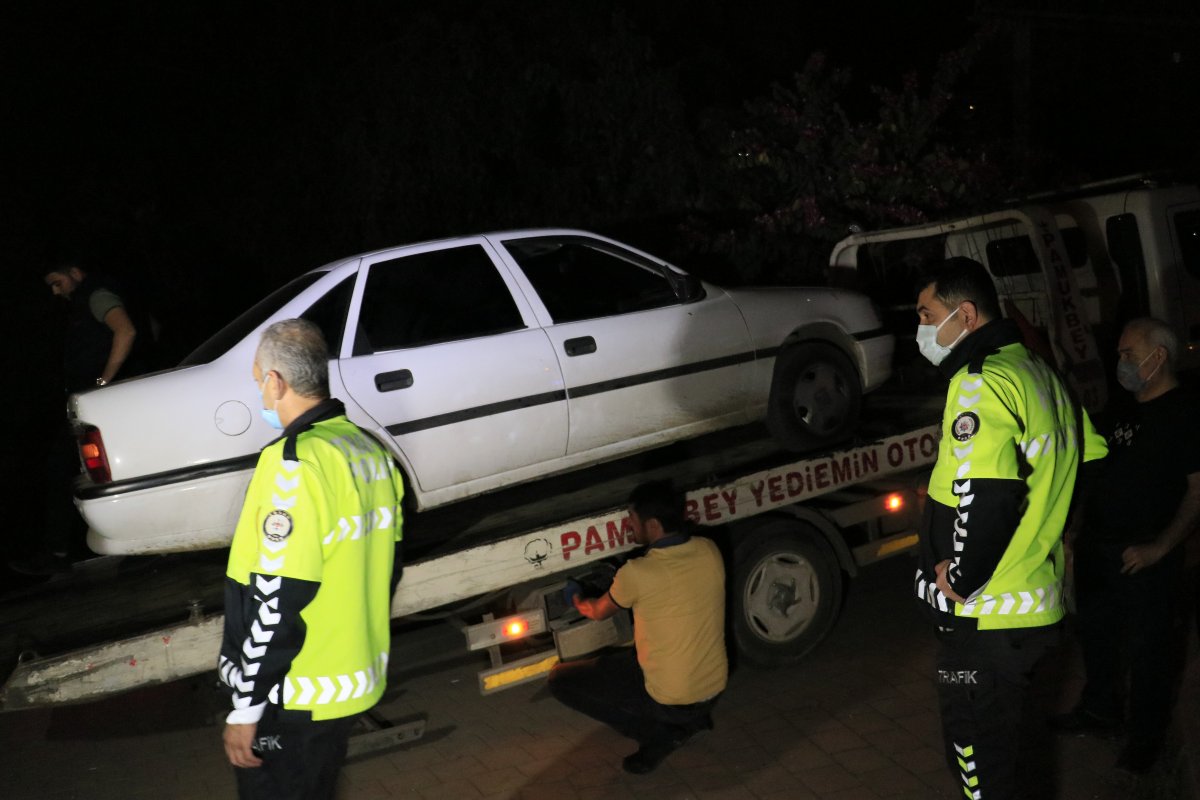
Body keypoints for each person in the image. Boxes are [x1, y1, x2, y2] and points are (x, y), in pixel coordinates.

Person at [912, 257, 1107, 798]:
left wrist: (963, 578)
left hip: (986, 622)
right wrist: (1058, 528)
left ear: (965, 315)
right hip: (1035, 609)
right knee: (1015, 760)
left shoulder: (981, 383)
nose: (922, 329)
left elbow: (989, 492)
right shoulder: (1044, 374)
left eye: (927, 315)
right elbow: (1090, 461)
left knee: (982, 773)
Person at [218, 319, 405, 799]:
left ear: (276, 381)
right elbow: (389, 564)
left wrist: (245, 709)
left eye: (259, 380)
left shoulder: (294, 464)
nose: (260, 395)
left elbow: (275, 596)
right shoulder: (369, 450)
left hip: (294, 693)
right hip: (344, 683)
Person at [1051, 318, 1200, 774]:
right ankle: (1100, 711)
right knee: (1096, 638)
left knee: (1149, 652)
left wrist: (1159, 547)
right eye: (1119, 353)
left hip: (1144, 558)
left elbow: (1198, 491)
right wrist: (1075, 530)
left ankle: (1145, 740)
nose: (1121, 362)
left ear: (1159, 358)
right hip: (1099, 549)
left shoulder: (1185, 413)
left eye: (1128, 354)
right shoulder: (1123, 410)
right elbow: (1095, 475)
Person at [547, 480, 727, 774]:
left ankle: (660, 736)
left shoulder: (639, 572)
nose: (630, 527)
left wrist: (575, 596)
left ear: (653, 525)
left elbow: (596, 612)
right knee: (634, 657)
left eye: (632, 520)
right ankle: (691, 720)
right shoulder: (709, 550)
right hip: (712, 689)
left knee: (560, 680)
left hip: (672, 699)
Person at [11, 261, 143, 575]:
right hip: (91, 401)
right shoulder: (80, 305)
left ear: (74, 272)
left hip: (102, 401)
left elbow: (126, 330)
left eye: (58, 282)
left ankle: (60, 553)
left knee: (67, 467)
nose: (56, 291)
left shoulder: (95, 294)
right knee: (82, 469)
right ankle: (61, 550)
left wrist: (104, 381)